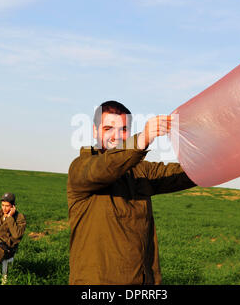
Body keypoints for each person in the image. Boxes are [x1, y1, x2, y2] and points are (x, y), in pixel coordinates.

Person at [67, 100, 197, 285]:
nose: (116, 136)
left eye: (123, 129)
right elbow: (104, 168)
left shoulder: (140, 171)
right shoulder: (81, 168)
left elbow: (184, 174)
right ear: (95, 131)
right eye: (108, 128)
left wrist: (219, 156)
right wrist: (143, 138)